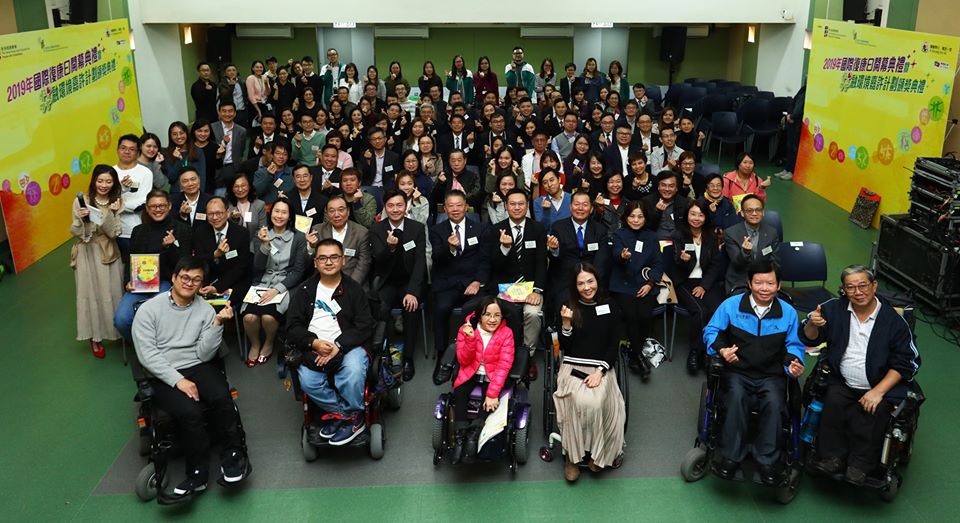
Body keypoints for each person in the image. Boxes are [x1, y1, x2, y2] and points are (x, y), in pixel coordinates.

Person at [132, 256, 251, 498]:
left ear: (201, 284)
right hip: (163, 371)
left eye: (196, 280)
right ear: (174, 278)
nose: (190, 283)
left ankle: (233, 454)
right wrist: (178, 380)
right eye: (185, 277)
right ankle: (197, 473)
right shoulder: (149, 311)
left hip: (196, 364)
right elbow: (148, 355)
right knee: (190, 413)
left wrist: (217, 323)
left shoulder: (205, 309)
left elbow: (204, 354)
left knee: (222, 397)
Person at [800, 265, 921, 484]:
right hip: (842, 379)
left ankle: (860, 464)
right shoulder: (833, 309)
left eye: (863, 285)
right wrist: (811, 324)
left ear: (874, 286)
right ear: (844, 290)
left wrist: (877, 391)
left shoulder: (893, 321)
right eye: (851, 287)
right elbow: (809, 338)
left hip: (880, 384)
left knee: (872, 411)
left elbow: (907, 363)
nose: (858, 292)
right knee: (833, 401)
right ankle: (832, 457)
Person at [703, 261, 806, 486]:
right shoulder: (731, 306)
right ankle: (730, 457)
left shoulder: (788, 313)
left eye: (770, 283)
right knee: (736, 398)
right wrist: (721, 349)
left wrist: (794, 364)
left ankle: (768, 461)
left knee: (775, 402)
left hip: (771, 374)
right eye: (758, 282)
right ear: (749, 283)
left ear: (778, 285)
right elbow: (711, 331)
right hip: (737, 371)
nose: (764, 288)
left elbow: (795, 346)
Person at [287, 238, 375, 445]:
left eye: (334, 257)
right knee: (309, 382)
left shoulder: (354, 290)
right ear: (315, 262)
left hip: (348, 345)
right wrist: (313, 343)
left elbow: (365, 326)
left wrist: (338, 346)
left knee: (352, 371)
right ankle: (346, 415)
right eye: (323, 258)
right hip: (314, 346)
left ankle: (353, 415)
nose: (328, 262)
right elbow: (292, 327)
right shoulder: (304, 290)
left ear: (343, 260)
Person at [555, 264, 627, 481]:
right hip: (573, 364)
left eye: (590, 281)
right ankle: (572, 457)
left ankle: (600, 453)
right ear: (575, 286)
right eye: (581, 283)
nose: (587, 287)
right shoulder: (569, 307)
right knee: (576, 400)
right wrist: (566, 323)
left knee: (596, 402)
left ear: (597, 281)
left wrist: (600, 372)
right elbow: (565, 345)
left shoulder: (610, 305)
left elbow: (614, 343)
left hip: (600, 365)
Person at [114, 190, 193, 340]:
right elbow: (130, 259)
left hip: (167, 282)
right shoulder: (138, 231)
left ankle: (158, 347)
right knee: (121, 320)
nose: (158, 209)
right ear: (147, 208)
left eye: (162, 205)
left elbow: (185, 266)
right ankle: (142, 345)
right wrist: (127, 282)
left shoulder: (183, 229)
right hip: (140, 283)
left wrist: (170, 247)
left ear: (169, 206)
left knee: (158, 317)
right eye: (153, 206)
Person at [484, 189, 547, 371]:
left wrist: (538, 291)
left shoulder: (538, 229)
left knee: (533, 314)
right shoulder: (496, 230)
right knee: (500, 312)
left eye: (521, 204)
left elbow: (542, 263)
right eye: (512, 204)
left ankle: (528, 356)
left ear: (527, 206)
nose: (517, 207)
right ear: (506, 205)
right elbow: (494, 266)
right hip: (506, 288)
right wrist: (504, 248)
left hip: (532, 288)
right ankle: (505, 354)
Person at [241, 198, 307, 367]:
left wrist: (277, 290)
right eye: (276, 211)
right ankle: (255, 344)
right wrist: (264, 245)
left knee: (269, 318)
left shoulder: (298, 237)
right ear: (271, 214)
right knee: (249, 317)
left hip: (285, 284)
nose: (279, 215)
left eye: (284, 212)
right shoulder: (261, 233)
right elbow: (257, 267)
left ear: (290, 216)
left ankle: (269, 343)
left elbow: (298, 271)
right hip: (261, 282)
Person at [449, 296, 515, 463]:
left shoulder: (507, 334)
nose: (492, 320)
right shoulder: (467, 329)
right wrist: (470, 339)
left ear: (502, 317)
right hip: (471, 371)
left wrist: (492, 393)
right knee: (460, 392)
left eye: (497, 315)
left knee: (489, 402)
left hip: (493, 375)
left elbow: (504, 366)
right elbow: (464, 360)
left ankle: (475, 433)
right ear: (479, 315)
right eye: (487, 315)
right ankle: (460, 436)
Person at [371, 189, 428, 381]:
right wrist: (390, 248)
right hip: (386, 281)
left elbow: (420, 263)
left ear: (406, 206)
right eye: (391, 206)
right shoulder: (377, 228)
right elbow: (378, 262)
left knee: (410, 308)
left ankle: (408, 358)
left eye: (399, 205)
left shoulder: (416, 228)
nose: (395, 209)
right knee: (381, 308)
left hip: (408, 281)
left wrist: (413, 291)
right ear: (385, 208)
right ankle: (385, 354)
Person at [430, 190, 488, 371]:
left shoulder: (479, 228)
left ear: (466, 207)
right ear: (445, 209)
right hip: (448, 283)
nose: (455, 209)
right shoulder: (437, 230)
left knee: (475, 308)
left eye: (459, 205)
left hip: (472, 282)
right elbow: (437, 260)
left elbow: (485, 259)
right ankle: (442, 357)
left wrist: (478, 281)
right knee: (440, 308)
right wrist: (450, 249)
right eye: (451, 206)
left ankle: (475, 354)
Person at [667, 200, 726, 373]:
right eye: (693, 214)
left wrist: (704, 286)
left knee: (718, 309)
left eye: (700, 215)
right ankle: (696, 351)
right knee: (700, 311)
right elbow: (674, 265)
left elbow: (715, 265)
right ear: (687, 215)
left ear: (706, 217)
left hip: (706, 281)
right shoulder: (678, 235)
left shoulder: (712, 236)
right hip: (685, 281)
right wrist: (683, 261)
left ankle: (712, 350)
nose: (696, 218)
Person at [71, 164, 124, 358]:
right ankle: (94, 337)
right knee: (90, 294)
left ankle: (117, 331)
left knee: (113, 292)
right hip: (86, 252)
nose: (104, 185)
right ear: (94, 181)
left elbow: (113, 232)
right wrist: (82, 221)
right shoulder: (81, 201)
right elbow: (77, 233)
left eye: (109, 181)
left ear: (114, 183)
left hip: (109, 252)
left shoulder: (117, 201)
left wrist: (111, 212)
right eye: (100, 180)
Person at [609, 201, 661, 377]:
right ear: (626, 217)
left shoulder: (652, 237)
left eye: (640, 216)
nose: (636, 220)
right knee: (631, 315)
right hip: (623, 284)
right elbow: (616, 254)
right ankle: (638, 356)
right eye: (632, 216)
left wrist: (650, 283)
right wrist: (623, 256)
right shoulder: (619, 234)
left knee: (645, 316)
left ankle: (634, 353)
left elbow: (658, 263)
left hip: (645, 284)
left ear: (646, 219)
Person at [194, 197, 252, 306]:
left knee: (218, 306)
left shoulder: (241, 233)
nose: (215, 217)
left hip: (235, 281)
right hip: (209, 280)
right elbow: (199, 260)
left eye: (218, 213)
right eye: (210, 214)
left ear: (227, 212)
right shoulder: (200, 233)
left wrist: (217, 287)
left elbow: (241, 267)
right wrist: (215, 255)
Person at [306, 195, 372, 286]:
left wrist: (349, 286)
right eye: (332, 211)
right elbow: (307, 263)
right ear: (327, 214)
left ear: (348, 212)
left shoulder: (361, 232)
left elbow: (364, 264)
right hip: (323, 282)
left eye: (341, 210)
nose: (336, 215)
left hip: (353, 283)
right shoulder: (318, 230)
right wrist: (311, 247)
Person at [723, 194, 779, 293]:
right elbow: (737, 264)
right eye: (749, 210)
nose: (754, 213)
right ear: (742, 213)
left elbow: (775, 262)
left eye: (758, 210)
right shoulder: (730, 233)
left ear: (763, 212)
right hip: (740, 282)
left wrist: (773, 281)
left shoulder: (772, 233)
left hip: (764, 281)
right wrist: (745, 252)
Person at [114, 134, 155, 260]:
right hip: (113, 230)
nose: (127, 152)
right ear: (117, 150)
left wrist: (118, 206)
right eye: (123, 148)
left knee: (138, 269)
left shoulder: (145, 173)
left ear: (138, 153)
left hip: (136, 229)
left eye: (131, 149)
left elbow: (143, 202)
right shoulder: (110, 172)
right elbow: (104, 200)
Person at [211, 101, 248, 193]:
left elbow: (242, 150)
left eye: (230, 111)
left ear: (235, 113)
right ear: (219, 112)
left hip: (234, 167)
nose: (227, 114)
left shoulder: (241, 131)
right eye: (224, 111)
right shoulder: (212, 128)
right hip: (216, 168)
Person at [644, 170, 692, 240]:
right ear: (658, 187)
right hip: (655, 242)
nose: (667, 189)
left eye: (671, 186)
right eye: (663, 185)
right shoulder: (647, 201)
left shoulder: (685, 203)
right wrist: (657, 212)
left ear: (676, 189)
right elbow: (646, 228)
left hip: (678, 242)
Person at [226, 172, 267, 252]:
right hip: (232, 248)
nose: (240, 189)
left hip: (254, 247)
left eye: (243, 185)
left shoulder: (259, 205)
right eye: (236, 186)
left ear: (249, 186)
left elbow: (262, 229)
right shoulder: (227, 206)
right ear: (231, 188)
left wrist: (251, 247)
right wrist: (233, 219)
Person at [774, 82, 805, 181]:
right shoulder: (803, 89)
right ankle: (786, 169)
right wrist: (789, 115)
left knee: (794, 148)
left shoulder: (810, 92)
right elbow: (793, 103)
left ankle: (791, 171)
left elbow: (800, 108)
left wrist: (792, 116)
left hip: (798, 123)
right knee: (789, 147)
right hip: (792, 122)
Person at [164, 121, 208, 193]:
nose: (179, 136)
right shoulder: (167, 153)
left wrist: (200, 196)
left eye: (181, 133)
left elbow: (202, 177)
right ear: (170, 136)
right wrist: (178, 160)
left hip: (195, 193)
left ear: (187, 134)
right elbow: (171, 178)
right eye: (175, 134)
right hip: (177, 194)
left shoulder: (198, 151)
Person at [252, 141, 294, 205]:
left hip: (286, 208)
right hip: (265, 210)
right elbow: (257, 192)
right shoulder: (260, 173)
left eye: (285, 154)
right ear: (272, 155)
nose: (281, 157)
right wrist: (269, 176)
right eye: (278, 153)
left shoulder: (293, 173)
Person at [245, 60, 270, 124]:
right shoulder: (250, 78)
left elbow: (268, 93)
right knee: (255, 128)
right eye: (257, 67)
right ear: (253, 68)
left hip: (264, 104)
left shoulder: (264, 77)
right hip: (254, 106)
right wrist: (259, 111)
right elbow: (251, 97)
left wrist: (266, 84)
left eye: (261, 67)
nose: (259, 69)